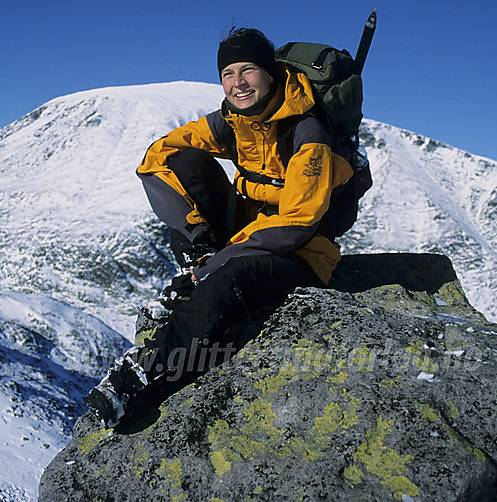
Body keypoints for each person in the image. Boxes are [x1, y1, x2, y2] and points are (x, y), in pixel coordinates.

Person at [84, 27, 354, 428]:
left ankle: (145, 371)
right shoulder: (233, 120)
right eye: (228, 73)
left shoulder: (307, 132)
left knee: (233, 275)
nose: (237, 83)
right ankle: (202, 271)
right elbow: (161, 154)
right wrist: (200, 241)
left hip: (303, 252)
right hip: (249, 230)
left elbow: (297, 224)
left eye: (248, 70)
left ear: (271, 73)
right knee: (184, 162)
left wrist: (216, 264)